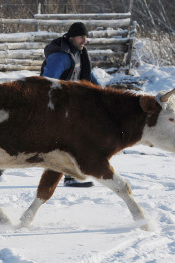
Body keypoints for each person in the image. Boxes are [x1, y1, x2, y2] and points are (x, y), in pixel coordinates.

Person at [40, 21, 99, 187]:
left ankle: (70, 175)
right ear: (72, 37)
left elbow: (88, 76)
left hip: (70, 105)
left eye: (86, 37)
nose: (84, 41)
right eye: (81, 37)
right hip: (54, 105)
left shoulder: (79, 53)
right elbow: (47, 82)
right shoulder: (61, 56)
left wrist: (102, 92)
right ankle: (70, 176)